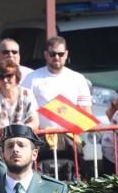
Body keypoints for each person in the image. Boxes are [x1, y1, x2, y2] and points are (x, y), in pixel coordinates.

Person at [21, 36, 93, 180]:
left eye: (60, 54)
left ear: (66, 54)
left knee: (73, 179)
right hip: (41, 141)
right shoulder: (32, 78)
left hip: (71, 140)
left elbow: (86, 113)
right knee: (42, 180)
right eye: (53, 54)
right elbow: (24, 111)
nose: (57, 57)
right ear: (46, 55)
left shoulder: (78, 78)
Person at [0, 61, 39, 140]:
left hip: (23, 143)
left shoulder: (27, 94)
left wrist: (20, 129)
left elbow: (35, 123)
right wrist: (10, 130)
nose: (5, 80)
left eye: (9, 76)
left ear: (17, 77)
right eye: (1, 76)